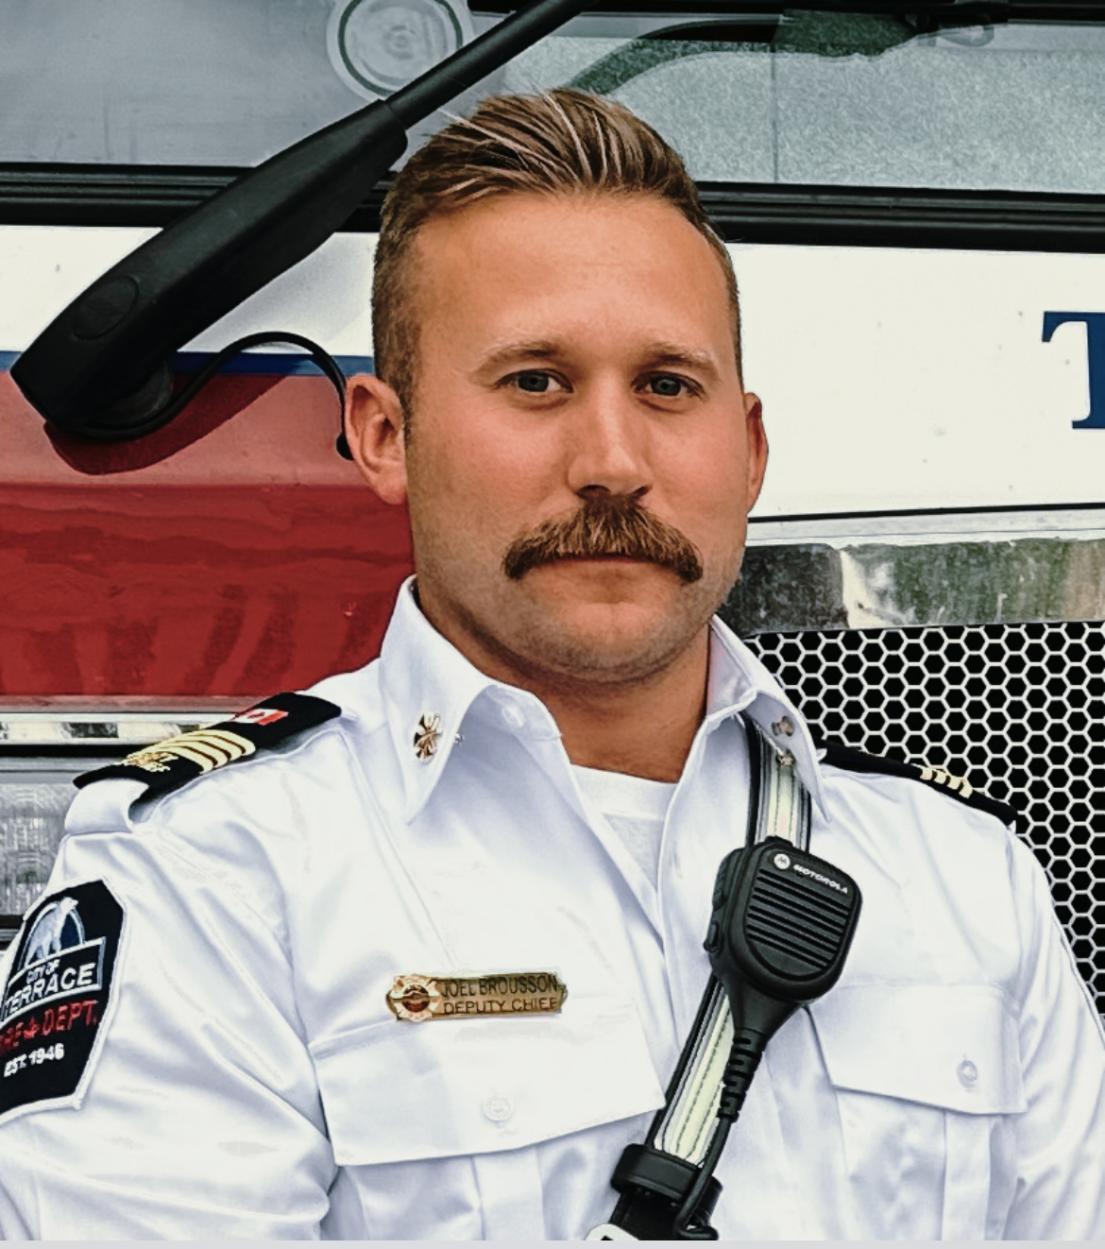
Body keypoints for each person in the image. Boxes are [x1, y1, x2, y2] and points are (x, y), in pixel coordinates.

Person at [0, 87, 1102, 1240]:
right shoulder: (207, 877)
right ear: (386, 436)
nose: (614, 461)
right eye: (536, 381)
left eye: (669, 386)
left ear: (751, 446)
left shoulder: (971, 882)